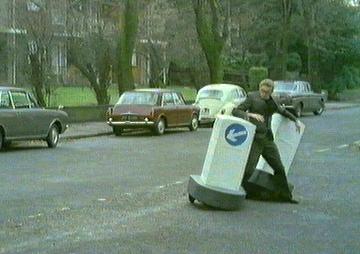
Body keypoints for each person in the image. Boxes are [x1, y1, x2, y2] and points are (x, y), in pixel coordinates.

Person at [232, 79, 301, 203]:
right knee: (249, 169)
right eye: (262, 91)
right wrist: (251, 115)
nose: (263, 94)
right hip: (255, 139)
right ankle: (244, 192)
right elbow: (236, 111)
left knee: (279, 167)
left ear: (271, 92)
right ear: (259, 88)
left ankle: (286, 196)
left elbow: (282, 111)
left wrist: (295, 120)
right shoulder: (252, 97)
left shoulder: (273, 100)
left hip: (267, 139)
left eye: (266, 92)